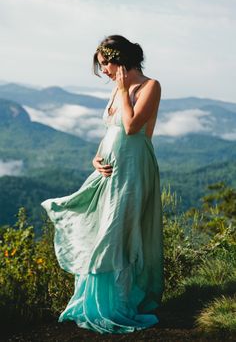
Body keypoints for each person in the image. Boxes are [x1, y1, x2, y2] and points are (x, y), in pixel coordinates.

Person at [41, 34, 164, 334]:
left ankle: (118, 305)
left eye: (106, 65)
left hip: (134, 170)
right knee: (100, 231)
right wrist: (97, 158)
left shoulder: (150, 86)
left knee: (117, 235)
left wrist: (123, 89)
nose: (104, 72)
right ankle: (97, 301)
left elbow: (133, 127)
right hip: (109, 169)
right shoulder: (115, 90)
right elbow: (111, 130)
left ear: (120, 60)